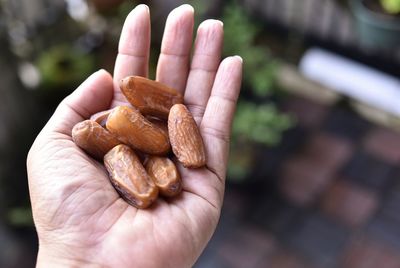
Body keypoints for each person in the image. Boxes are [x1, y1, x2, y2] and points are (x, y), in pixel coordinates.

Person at [27, 4, 242, 267]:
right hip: (140, 164)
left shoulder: (155, 136)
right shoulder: (129, 142)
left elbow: (164, 129)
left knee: (156, 117)